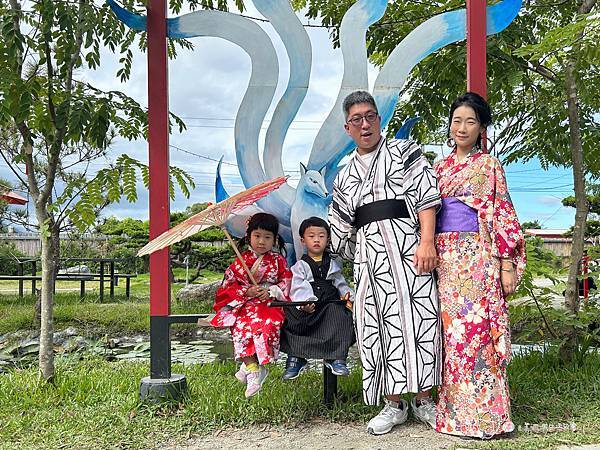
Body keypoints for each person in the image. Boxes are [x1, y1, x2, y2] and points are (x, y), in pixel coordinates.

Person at [329, 90, 442, 435]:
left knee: (419, 320)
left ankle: (424, 400)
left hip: (410, 249)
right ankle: (393, 404)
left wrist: (426, 242)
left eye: (370, 116)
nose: (365, 124)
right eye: (356, 120)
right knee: (377, 327)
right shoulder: (344, 175)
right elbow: (340, 231)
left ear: (379, 119)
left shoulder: (404, 151)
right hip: (369, 260)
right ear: (347, 128)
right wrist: (353, 252)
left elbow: (425, 198)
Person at [434, 92, 526, 438]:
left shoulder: (489, 165)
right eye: (457, 120)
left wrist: (506, 263)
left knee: (479, 334)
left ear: (481, 127)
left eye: (470, 121)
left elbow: (502, 212)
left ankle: (489, 417)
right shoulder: (439, 168)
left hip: (477, 256)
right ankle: (454, 416)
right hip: (445, 259)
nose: (462, 127)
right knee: (451, 336)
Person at [210, 213, 292, 398]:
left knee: (268, 324)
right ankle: (252, 369)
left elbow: (286, 282)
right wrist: (246, 291)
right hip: (244, 304)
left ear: (275, 239)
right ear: (249, 236)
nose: (261, 241)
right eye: (257, 236)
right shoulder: (239, 262)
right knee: (240, 327)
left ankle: (256, 367)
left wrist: (271, 291)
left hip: (269, 304)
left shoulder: (278, 261)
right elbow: (228, 286)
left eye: (267, 237)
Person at [280, 216, 355, 380]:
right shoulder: (300, 266)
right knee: (292, 316)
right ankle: (297, 356)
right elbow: (298, 285)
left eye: (321, 236)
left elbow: (340, 283)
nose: (316, 240)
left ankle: (336, 357)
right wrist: (306, 301)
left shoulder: (333, 264)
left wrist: (347, 296)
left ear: (328, 240)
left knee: (341, 316)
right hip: (309, 303)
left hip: (329, 302)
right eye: (311, 236)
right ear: (302, 240)